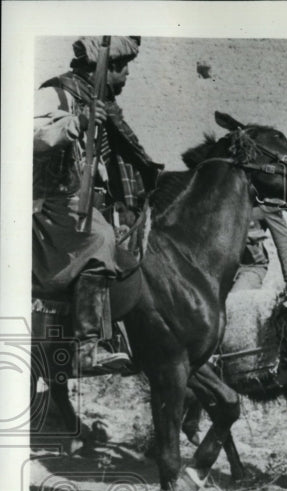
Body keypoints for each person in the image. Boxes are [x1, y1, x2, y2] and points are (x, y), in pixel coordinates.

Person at [33, 35, 160, 374]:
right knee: (100, 239)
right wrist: (77, 122)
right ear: (109, 67)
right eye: (125, 69)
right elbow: (31, 134)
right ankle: (87, 346)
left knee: (123, 245)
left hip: (79, 202)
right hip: (49, 203)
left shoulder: (99, 102)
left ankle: (115, 337)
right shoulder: (57, 93)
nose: (128, 77)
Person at [231, 203, 287, 293]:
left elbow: (283, 240)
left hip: (249, 267)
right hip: (217, 267)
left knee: (234, 302)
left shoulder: (263, 204)